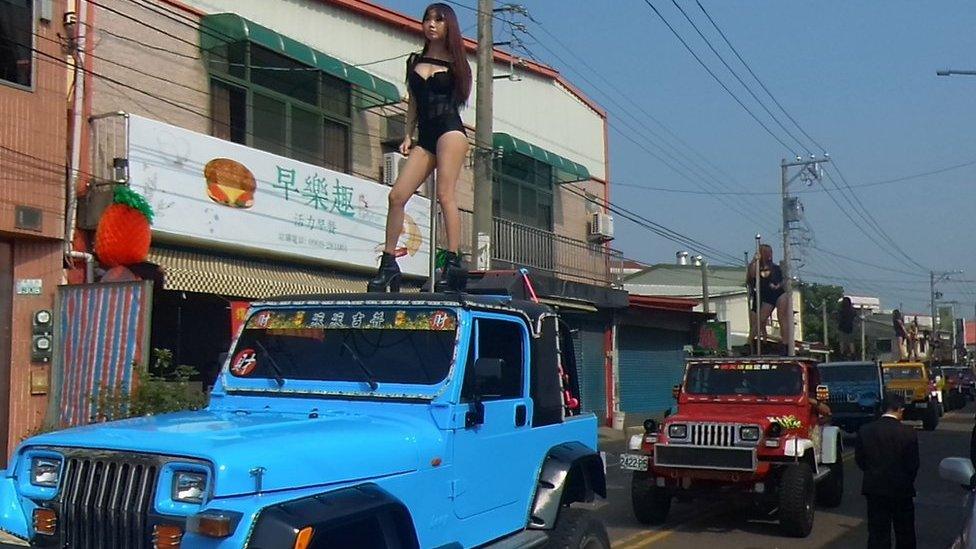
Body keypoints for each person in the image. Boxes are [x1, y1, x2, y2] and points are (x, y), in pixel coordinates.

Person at [368, 3, 472, 293]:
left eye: (439, 20)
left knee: (444, 194)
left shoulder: (457, 63)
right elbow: (413, 100)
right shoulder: (414, 60)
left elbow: (459, 99)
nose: (432, 24)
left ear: (448, 26)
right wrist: (407, 135)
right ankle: (389, 263)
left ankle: (452, 261)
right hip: (425, 135)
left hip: (450, 131)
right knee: (397, 195)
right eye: (428, 19)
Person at [855, 392, 920, 549]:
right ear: (899, 409)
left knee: (878, 533)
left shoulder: (865, 431)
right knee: (905, 533)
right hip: (901, 490)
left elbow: (861, 460)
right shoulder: (908, 432)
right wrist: (906, 479)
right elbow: (913, 464)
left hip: (875, 489)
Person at [745, 244, 792, 349]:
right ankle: (749, 341)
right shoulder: (756, 267)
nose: (769, 254)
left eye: (770, 252)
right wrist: (755, 259)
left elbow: (783, 280)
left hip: (779, 293)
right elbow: (752, 275)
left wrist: (777, 285)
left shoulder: (775, 268)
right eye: (766, 252)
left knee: (782, 317)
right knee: (760, 319)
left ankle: (785, 344)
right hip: (767, 296)